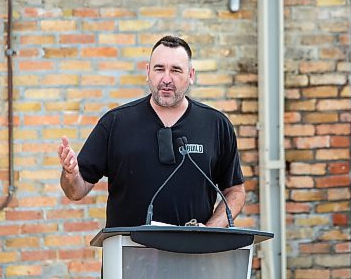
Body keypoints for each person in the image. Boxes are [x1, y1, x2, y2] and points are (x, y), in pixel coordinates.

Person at [58, 35, 246, 228]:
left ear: (190, 75)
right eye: (159, 69)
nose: (166, 79)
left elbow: (235, 191)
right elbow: (75, 192)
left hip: (193, 252)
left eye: (175, 70)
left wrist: (210, 230)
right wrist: (70, 173)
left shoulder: (216, 125)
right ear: (148, 72)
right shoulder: (115, 123)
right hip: (129, 251)